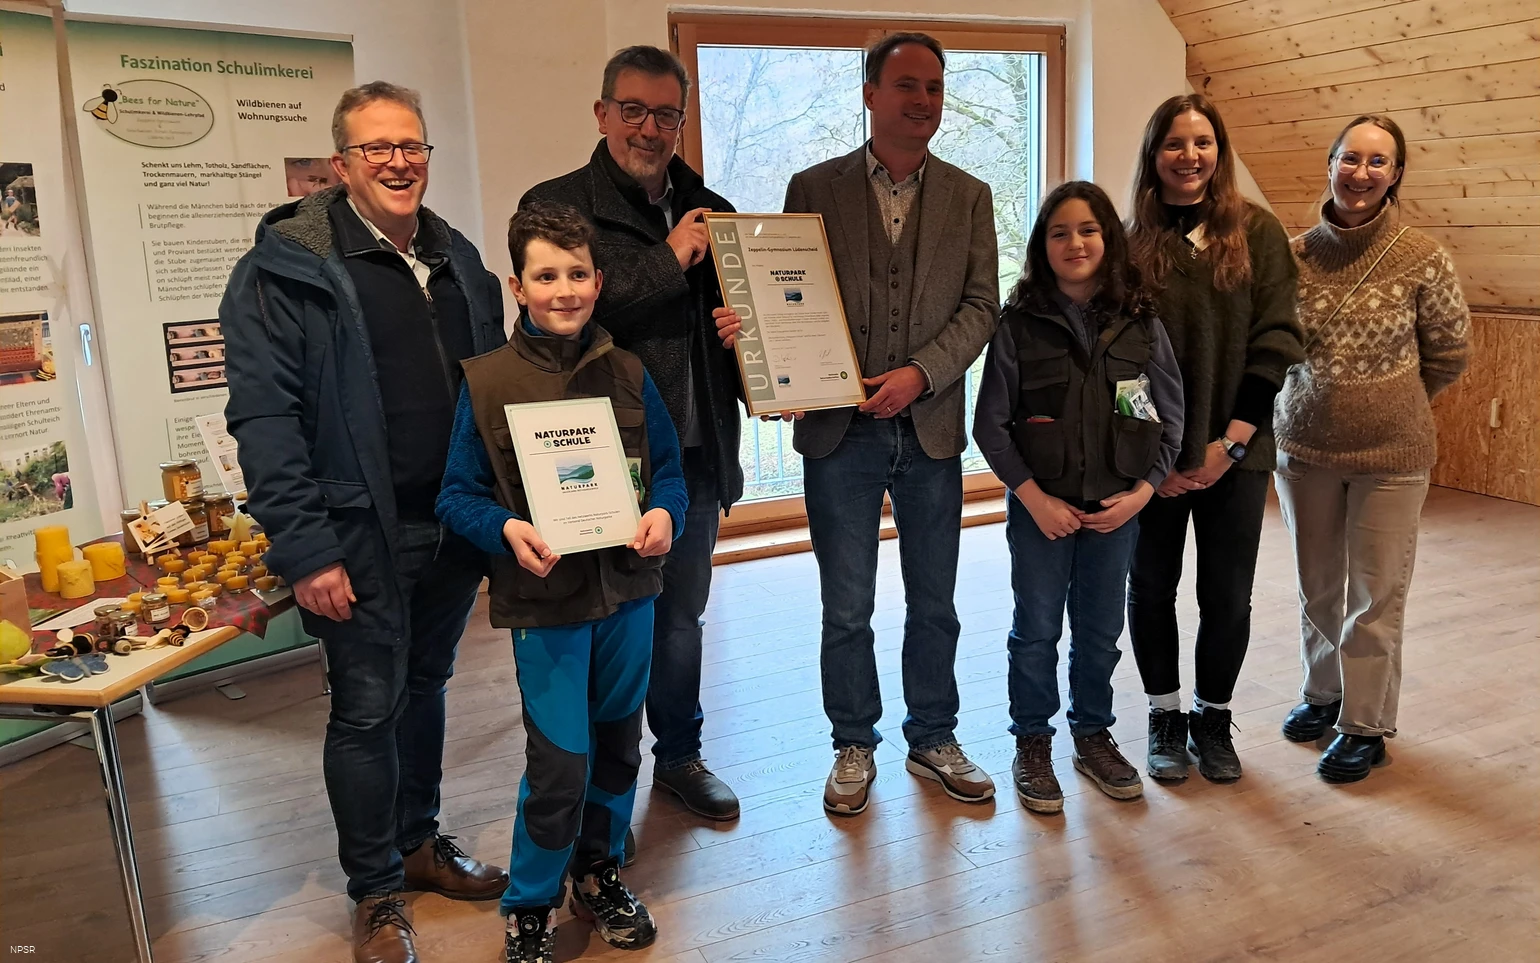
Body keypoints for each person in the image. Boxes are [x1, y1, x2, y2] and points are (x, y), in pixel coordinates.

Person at [221, 82, 508, 963]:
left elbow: (495, 389)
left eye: (411, 146)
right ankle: (377, 888)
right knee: (365, 709)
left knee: (425, 690)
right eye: (376, 147)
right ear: (341, 163)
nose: (397, 161)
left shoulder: (458, 259)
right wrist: (306, 548)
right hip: (356, 538)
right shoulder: (285, 271)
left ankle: (418, 840)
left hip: (452, 528)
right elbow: (265, 421)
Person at [717, 32, 1001, 815]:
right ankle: (853, 740)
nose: (923, 101)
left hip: (933, 428)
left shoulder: (971, 195)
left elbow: (983, 305)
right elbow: (785, 292)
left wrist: (922, 373)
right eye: (907, 85)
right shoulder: (814, 186)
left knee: (935, 601)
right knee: (845, 604)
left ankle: (934, 734)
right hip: (839, 435)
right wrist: (761, 341)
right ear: (870, 92)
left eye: (936, 88)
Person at [436, 203, 685, 963]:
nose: (565, 289)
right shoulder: (487, 383)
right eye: (547, 275)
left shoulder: (631, 375)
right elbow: (457, 495)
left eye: (578, 273)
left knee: (617, 746)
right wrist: (505, 531)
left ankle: (598, 871)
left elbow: (670, 473)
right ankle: (530, 903)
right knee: (559, 762)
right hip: (546, 605)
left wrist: (665, 516)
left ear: (599, 281)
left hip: (629, 596)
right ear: (519, 285)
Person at [520, 45, 742, 823]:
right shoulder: (554, 208)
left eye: (666, 114)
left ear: (683, 121)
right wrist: (672, 258)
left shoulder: (711, 204)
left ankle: (679, 756)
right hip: (588, 458)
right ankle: (588, 785)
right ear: (602, 113)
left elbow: (735, 337)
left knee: (681, 617)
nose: (650, 128)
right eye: (634, 110)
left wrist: (739, 338)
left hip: (693, 454)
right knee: (596, 623)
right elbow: (562, 321)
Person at [974, 181, 1184, 814]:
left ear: (1108, 239)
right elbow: (989, 425)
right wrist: (1033, 498)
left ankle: (1092, 732)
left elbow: (1169, 422)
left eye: (1088, 229)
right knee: (1035, 630)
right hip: (1042, 512)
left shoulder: (1142, 325)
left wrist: (1141, 496)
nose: (1075, 242)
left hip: (1115, 512)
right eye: (1060, 232)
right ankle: (1032, 742)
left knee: (1099, 632)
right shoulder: (1018, 325)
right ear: (1043, 245)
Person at [1273, 115, 1469, 783]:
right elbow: (1272, 349)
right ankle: (1323, 695)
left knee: (1375, 595)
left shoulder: (1424, 257)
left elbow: (1449, 353)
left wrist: (1390, 403)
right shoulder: (1292, 255)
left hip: (1392, 458)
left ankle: (1366, 726)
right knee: (1317, 587)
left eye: (1377, 162)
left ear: (1395, 175)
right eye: (1350, 157)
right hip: (1303, 450)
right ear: (1329, 164)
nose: (1361, 172)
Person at [1124, 94, 1304, 784]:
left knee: (1227, 594)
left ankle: (1213, 717)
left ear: (1219, 153)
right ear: (1154, 154)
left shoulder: (1257, 234)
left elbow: (1276, 342)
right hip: (1153, 459)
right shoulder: (1128, 238)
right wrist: (1156, 454)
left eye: (1203, 143)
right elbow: (1116, 360)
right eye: (1175, 143)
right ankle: (1164, 716)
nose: (1190, 156)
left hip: (1238, 452)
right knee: (1151, 588)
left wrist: (1228, 444)